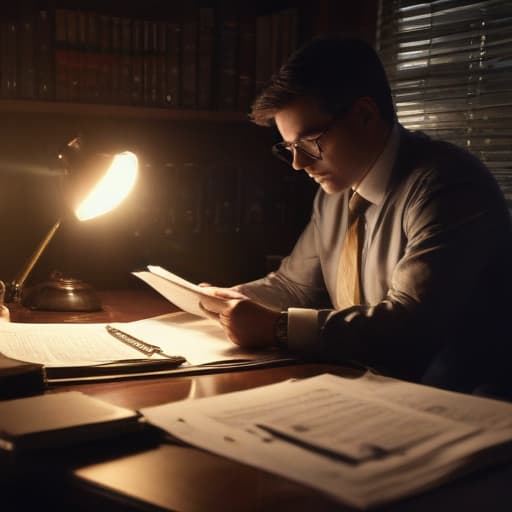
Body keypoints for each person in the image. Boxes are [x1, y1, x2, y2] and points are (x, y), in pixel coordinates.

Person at [200, 35, 512, 398]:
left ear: (365, 114)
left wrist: (280, 329)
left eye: (309, 143)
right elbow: (295, 286)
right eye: (289, 149)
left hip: (460, 405)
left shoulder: (448, 184)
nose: (299, 164)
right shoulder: (336, 192)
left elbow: (411, 325)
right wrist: (226, 299)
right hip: (369, 393)